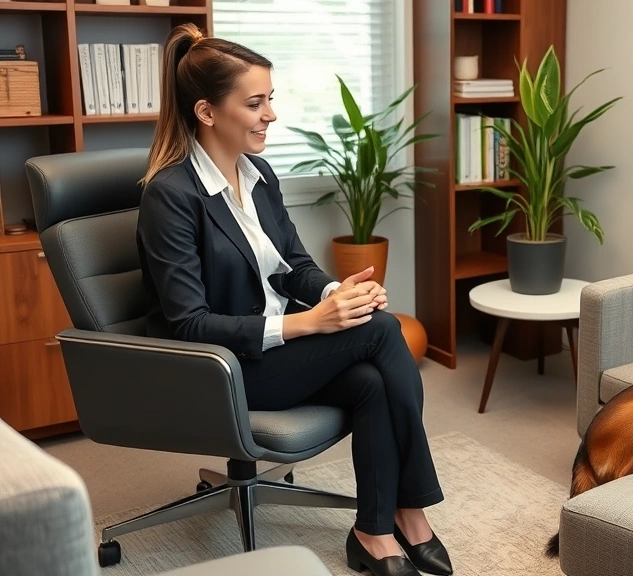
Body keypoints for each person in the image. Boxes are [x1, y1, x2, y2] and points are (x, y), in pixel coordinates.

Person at [136, 23, 450, 576]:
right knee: (383, 331)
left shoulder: (258, 175)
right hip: (229, 367)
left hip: (281, 352)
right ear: (207, 112)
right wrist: (309, 325)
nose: (270, 115)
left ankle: (373, 532)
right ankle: (412, 508)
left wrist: (337, 294)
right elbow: (189, 324)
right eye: (255, 103)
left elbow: (293, 267)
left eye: (270, 100)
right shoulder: (171, 196)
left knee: (373, 376)